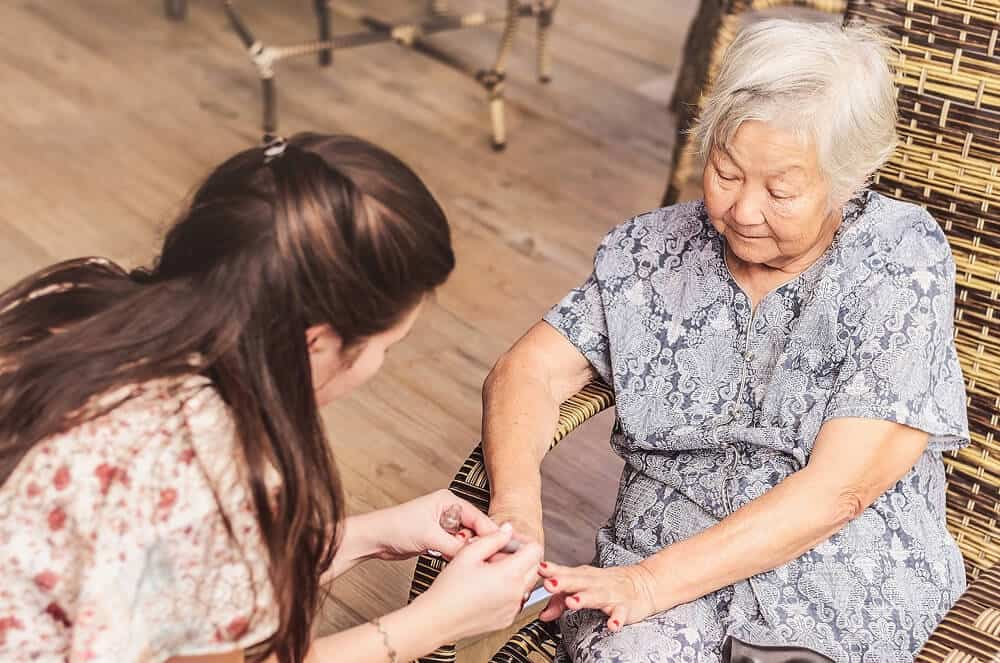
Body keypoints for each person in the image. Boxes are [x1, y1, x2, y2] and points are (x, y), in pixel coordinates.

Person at [482, 20, 969, 662]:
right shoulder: (651, 250)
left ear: (848, 180)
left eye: (781, 190)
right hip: (661, 553)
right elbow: (529, 371)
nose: (743, 210)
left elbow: (841, 490)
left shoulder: (899, 259)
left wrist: (649, 583)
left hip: (836, 577)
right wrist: (516, 508)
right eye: (726, 171)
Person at [0, 133, 542, 663]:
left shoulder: (75, 292)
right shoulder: (216, 472)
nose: (380, 363)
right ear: (316, 344)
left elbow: (166, 569)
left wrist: (369, 537)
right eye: (386, 347)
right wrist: (437, 621)